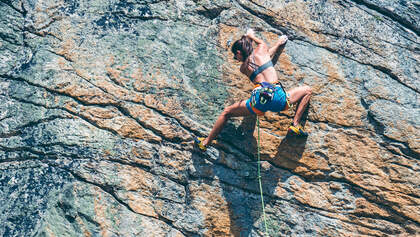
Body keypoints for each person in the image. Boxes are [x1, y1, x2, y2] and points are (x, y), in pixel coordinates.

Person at [195, 29, 312, 151]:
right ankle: (295, 124)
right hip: (278, 98)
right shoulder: (262, 48)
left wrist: (249, 38)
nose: (236, 59)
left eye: (236, 56)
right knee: (307, 90)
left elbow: (265, 58)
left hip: (258, 100)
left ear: (239, 52)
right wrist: (256, 37)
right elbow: (266, 55)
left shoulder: (243, 68)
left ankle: (206, 143)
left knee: (227, 112)